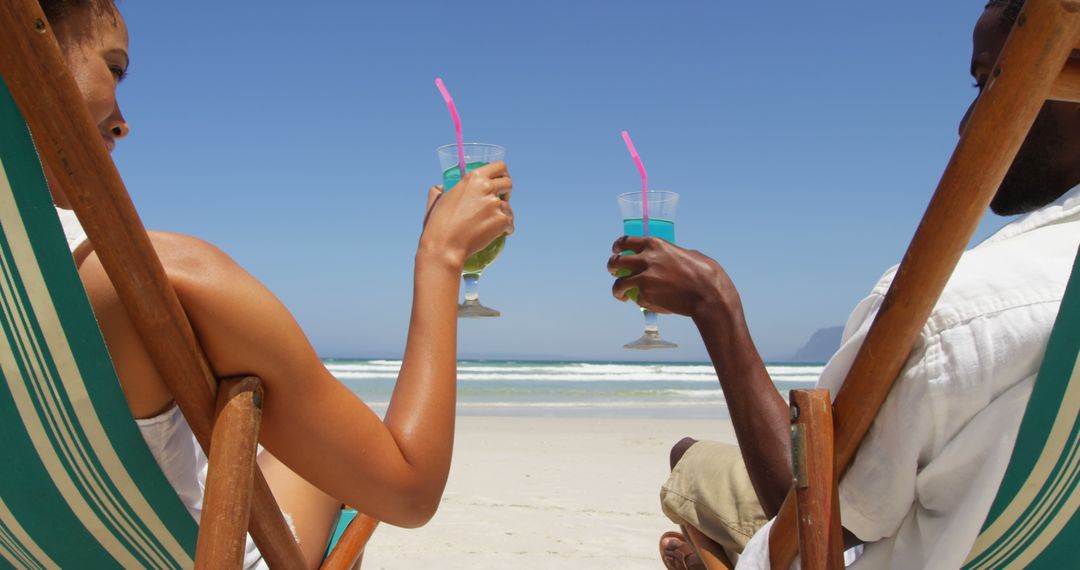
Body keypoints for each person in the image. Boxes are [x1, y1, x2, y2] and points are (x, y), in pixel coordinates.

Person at [35, 1, 515, 567]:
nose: (122, 120)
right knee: (351, 467)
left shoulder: (27, 283)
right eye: (114, 68)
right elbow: (409, 491)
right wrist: (441, 256)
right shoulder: (155, 277)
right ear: (29, 56)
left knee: (308, 453)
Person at [606, 1, 1080, 568]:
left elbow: (821, 516)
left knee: (689, 465)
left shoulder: (958, 315)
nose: (966, 121)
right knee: (696, 460)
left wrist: (715, 304)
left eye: (990, 82)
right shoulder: (1055, 293)